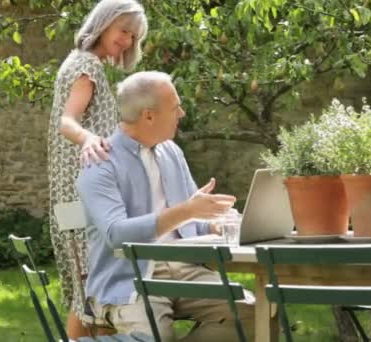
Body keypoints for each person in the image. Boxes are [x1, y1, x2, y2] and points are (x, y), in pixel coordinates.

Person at [76, 71, 255, 341]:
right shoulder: (100, 162)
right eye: (175, 107)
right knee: (153, 336)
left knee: (252, 312)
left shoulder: (171, 152)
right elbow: (116, 234)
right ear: (149, 115)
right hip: (131, 277)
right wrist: (189, 210)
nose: (181, 113)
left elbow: (189, 221)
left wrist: (214, 223)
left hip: (186, 270)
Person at [47, 0, 147, 338]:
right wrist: (89, 139)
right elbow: (67, 121)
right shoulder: (87, 65)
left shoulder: (81, 63)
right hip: (82, 194)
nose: (128, 41)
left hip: (70, 195)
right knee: (90, 289)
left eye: (133, 37)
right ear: (103, 24)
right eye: (124, 31)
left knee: (88, 286)